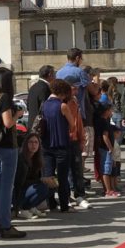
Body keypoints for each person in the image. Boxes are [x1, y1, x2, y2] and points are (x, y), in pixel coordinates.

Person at [0, 66, 25, 237]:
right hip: (6, 145)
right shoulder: (5, 98)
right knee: (6, 186)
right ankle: (6, 225)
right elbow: (8, 123)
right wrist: (18, 115)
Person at [41, 78, 75, 212]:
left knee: (49, 176)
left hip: (46, 145)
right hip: (61, 144)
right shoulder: (63, 106)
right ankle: (64, 205)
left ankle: (50, 203)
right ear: (63, 92)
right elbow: (72, 124)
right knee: (62, 176)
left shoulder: (44, 105)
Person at [62, 74, 89, 208]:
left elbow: (78, 122)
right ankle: (67, 196)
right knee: (65, 171)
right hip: (65, 140)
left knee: (77, 169)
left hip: (75, 139)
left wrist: (82, 137)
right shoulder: (62, 103)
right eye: (74, 88)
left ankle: (79, 195)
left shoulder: (74, 101)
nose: (77, 91)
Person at [13, 133, 50, 218]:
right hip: (19, 192)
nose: (33, 145)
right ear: (26, 144)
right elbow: (19, 183)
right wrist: (40, 180)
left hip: (30, 188)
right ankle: (22, 209)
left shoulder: (37, 159)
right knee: (42, 187)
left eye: (36, 142)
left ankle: (31, 207)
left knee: (51, 186)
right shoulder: (21, 158)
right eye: (30, 142)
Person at [95, 102, 121, 196]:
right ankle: (108, 190)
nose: (112, 112)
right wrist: (110, 148)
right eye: (110, 110)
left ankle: (109, 188)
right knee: (106, 169)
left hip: (103, 148)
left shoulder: (103, 120)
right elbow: (105, 136)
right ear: (106, 111)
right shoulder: (104, 122)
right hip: (106, 148)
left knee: (108, 168)